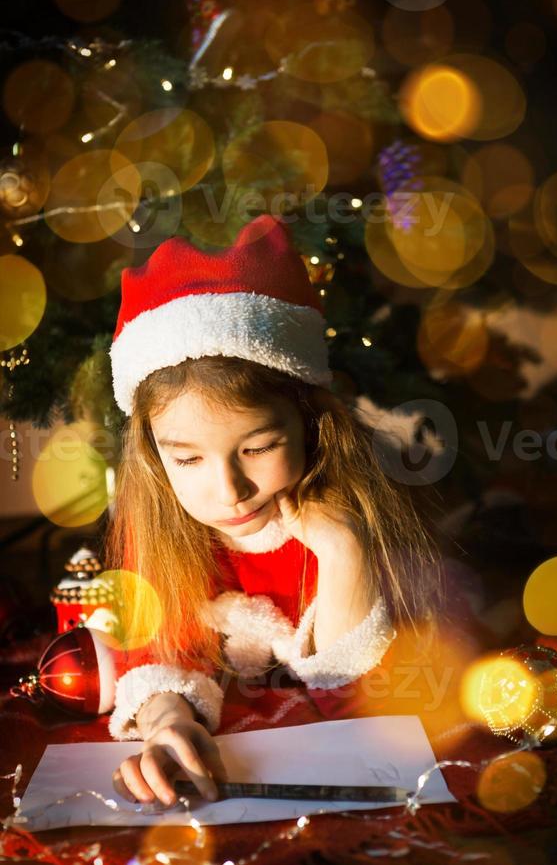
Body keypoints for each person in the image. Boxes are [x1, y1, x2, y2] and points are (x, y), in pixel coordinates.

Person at [105, 214, 444, 808]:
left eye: (258, 448)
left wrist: (344, 553)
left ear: (313, 426)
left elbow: (367, 705)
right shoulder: (162, 518)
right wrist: (165, 718)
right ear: (155, 454)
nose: (229, 490)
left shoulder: (356, 510)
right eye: (187, 459)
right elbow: (156, 650)